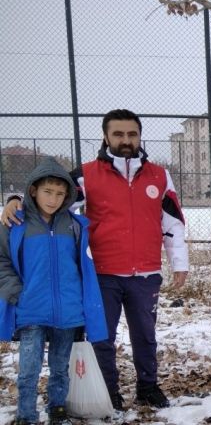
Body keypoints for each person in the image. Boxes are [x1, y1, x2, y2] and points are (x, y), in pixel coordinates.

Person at [2, 109, 189, 411]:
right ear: (106, 136)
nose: (125, 140)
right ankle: (108, 390)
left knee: (146, 335)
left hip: (146, 272)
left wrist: (179, 262)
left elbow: (172, 221)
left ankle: (148, 386)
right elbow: (52, 200)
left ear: (139, 136)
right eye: (118, 134)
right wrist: (15, 201)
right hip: (102, 273)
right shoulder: (86, 174)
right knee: (102, 336)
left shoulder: (159, 175)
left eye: (132, 134)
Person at [0, 158, 108, 425]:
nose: (54, 199)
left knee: (60, 367)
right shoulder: (16, 224)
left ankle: (57, 409)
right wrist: (16, 292)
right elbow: (2, 261)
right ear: (33, 191)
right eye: (48, 192)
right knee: (28, 369)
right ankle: (26, 414)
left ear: (68, 196)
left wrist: (83, 304)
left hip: (68, 311)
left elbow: (83, 266)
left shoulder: (75, 225)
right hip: (30, 308)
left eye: (60, 194)